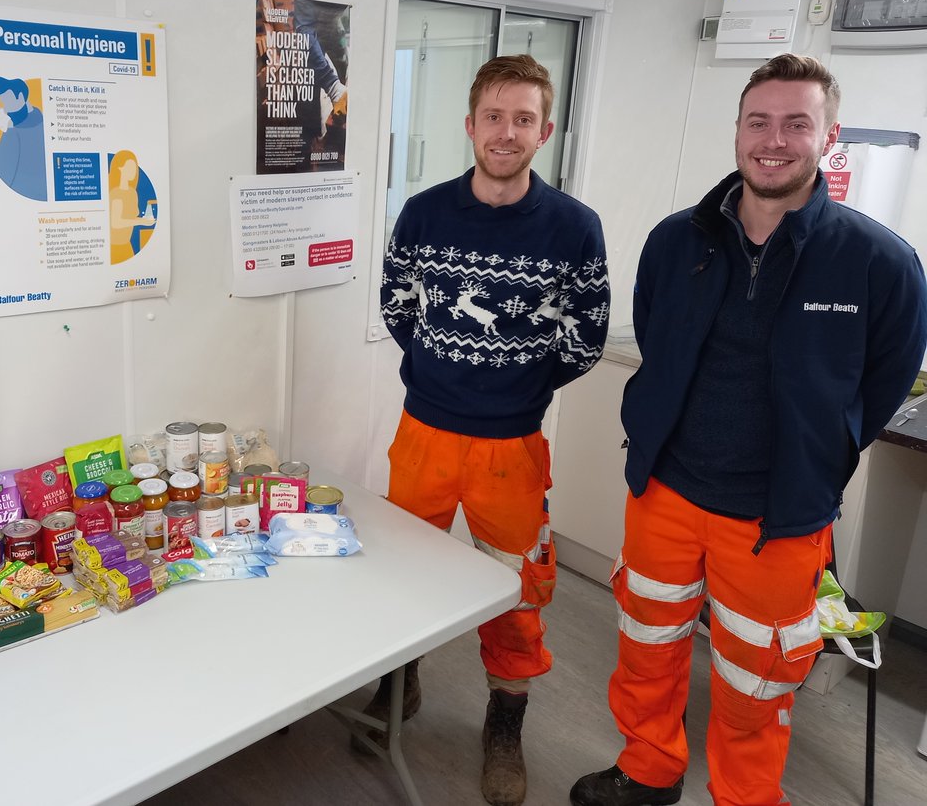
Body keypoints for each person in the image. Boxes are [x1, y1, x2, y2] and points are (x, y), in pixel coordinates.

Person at [569, 54, 927, 806]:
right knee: (647, 646)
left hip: (778, 518)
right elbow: (660, 342)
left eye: (798, 123)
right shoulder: (678, 241)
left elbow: (885, 381)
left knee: (756, 680)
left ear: (828, 138)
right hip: (665, 492)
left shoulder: (880, 263)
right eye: (759, 121)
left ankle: (746, 798)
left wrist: (823, 449)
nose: (775, 139)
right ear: (737, 131)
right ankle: (649, 769)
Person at [379, 54, 610, 806]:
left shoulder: (575, 228)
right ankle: (399, 681)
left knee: (517, 594)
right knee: (399, 572)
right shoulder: (424, 212)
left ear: (545, 130)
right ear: (470, 124)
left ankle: (504, 728)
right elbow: (396, 305)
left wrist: (518, 386)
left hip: (513, 447)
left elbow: (585, 335)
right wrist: (445, 370)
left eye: (522, 119)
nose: (505, 133)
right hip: (424, 433)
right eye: (492, 117)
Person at [0, 76, 46, 201]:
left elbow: (2, 172)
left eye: (7, 100)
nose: (4, 107)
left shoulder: (13, 133)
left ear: (20, 97)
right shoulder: (44, 125)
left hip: (14, 199)